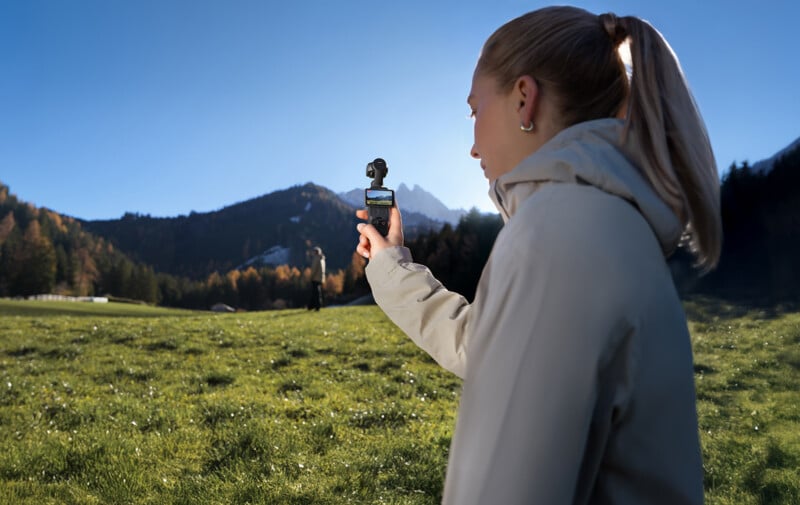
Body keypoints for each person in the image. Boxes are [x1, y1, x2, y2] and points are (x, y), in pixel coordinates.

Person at [355, 5, 721, 505]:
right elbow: (486, 346)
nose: (472, 146)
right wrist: (392, 264)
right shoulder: (601, 225)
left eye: (474, 110)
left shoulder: (558, 232)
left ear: (524, 99)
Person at [307, 246, 325, 311]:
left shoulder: (316, 259)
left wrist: (311, 277)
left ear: (315, 252)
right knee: (315, 292)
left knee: (315, 293)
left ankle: (317, 306)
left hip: (315, 278)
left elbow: (314, 269)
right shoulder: (322, 259)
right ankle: (311, 306)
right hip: (320, 278)